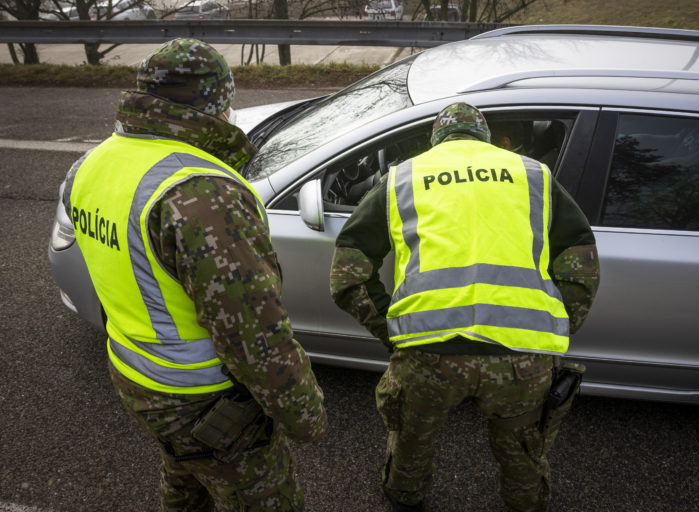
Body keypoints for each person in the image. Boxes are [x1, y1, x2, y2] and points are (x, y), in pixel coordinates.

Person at [61, 38, 327, 511]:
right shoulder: (202, 193)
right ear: (219, 104)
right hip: (203, 400)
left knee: (184, 471)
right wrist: (305, 415)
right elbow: (253, 336)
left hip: (134, 376)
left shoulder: (92, 164)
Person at [329, 102, 600, 512]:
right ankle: (526, 504)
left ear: (436, 139)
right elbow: (581, 262)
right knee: (523, 450)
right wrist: (557, 324)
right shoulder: (534, 175)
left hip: (427, 353)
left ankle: (404, 498)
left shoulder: (403, 178)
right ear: (487, 138)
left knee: (411, 440)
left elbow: (347, 273)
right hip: (521, 355)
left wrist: (392, 330)